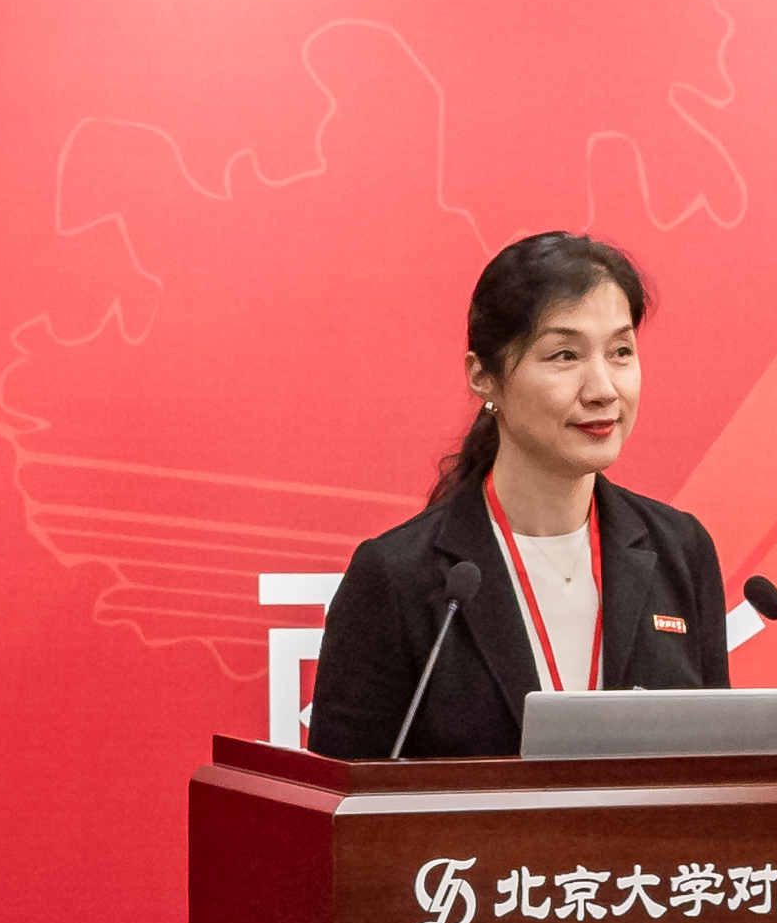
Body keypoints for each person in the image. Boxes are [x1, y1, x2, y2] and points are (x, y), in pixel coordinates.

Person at [308, 232, 730, 759]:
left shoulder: (680, 551)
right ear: (483, 376)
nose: (603, 389)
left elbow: (718, 780)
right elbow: (342, 800)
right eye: (565, 355)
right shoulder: (398, 578)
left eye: (621, 352)